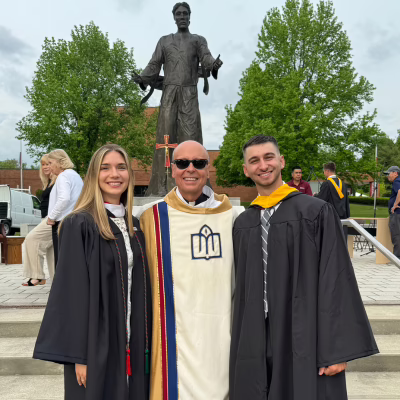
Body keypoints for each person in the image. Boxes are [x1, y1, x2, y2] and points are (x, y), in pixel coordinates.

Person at [230, 135, 378, 400]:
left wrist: (336, 350)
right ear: (246, 169)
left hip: (302, 331)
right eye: (254, 161)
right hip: (255, 334)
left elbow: (336, 279)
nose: (263, 165)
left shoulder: (315, 212)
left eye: (268, 157)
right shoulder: (243, 223)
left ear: (281, 161)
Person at [33, 144, 152, 400]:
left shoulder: (134, 224)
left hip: (132, 339)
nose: (114, 174)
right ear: (93, 175)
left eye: (121, 167)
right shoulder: (79, 223)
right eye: (105, 168)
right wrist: (80, 356)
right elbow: (71, 294)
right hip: (96, 343)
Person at [140, 140, 240, 400]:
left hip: (220, 331)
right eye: (183, 163)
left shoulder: (232, 216)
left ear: (208, 168)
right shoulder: (151, 218)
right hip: (174, 337)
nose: (190, 169)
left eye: (199, 163)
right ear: (172, 168)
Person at [132, 2, 223, 195]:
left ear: (189, 16)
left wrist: (213, 64)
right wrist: (143, 78)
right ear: (174, 17)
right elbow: (154, 64)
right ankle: (162, 186)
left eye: (185, 13)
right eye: (179, 14)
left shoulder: (198, 40)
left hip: (189, 94)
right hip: (169, 94)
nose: (182, 17)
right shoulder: (164, 41)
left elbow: (206, 58)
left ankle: (195, 186)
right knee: (165, 138)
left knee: (191, 137)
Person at [22, 154, 55, 286]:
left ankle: (37, 276)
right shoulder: (48, 182)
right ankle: (57, 281)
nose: (45, 167)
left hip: (52, 218)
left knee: (31, 239)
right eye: (43, 164)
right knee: (51, 251)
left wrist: (52, 217)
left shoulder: (59, 180)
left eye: (48, 164)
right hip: (46, 218)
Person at [46, 149, 83, 266]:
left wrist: (52, 217)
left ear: (59, 162)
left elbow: (64, 199)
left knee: (61, 260)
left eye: (50, 163)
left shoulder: (63, 176)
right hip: (75, 220)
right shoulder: (75, 175)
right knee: (72, 259)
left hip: (62, 222)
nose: (49, 167)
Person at [384, 166, 400, 258]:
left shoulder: (397, 181)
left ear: (395, 173)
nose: (388, 176)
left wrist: (394, 205)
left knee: (396, 234)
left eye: (389, 173)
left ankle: (397, 258)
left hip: (397, 213)